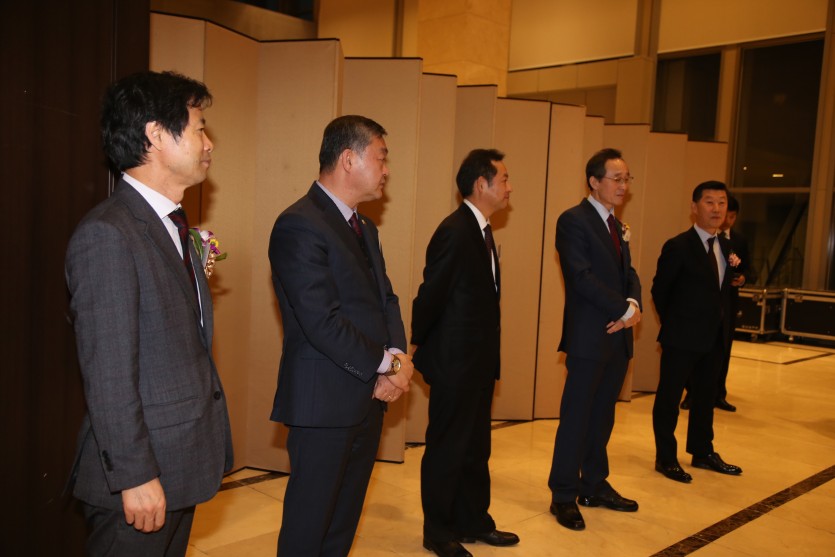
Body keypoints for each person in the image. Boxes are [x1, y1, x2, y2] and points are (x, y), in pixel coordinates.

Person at [65, 70, 233, 556]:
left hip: (178, 463)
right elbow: (109, 373)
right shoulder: (109, 234)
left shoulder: (171, 226)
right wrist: (135, 476)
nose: (209, 143)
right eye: (199, 128)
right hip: (140, 479)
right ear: (157, 135)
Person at [268, 115, 414, 556]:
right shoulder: (299, 224)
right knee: (309, 527)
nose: (387, 170)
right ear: (349, 159)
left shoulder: (365, 227)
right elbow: (322, 321)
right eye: (381, 158)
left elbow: (386, 299)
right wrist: (388, 364)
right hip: (324, 403)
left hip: (367, 397)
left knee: (342, 523)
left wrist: (397, 356)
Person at [412, 149, 520, 557]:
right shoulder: (455, 231)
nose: (509, 187)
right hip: (455, 365)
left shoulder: (481, 231)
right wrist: (419, 345)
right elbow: (431, 295)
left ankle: (473, 520)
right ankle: (438, 532)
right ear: (481, 184)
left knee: (476, 448)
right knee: (448, 448)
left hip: (478, 364)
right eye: (504, 179)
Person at [548, 148, 642, 532]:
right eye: (616, 178)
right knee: (577, 418)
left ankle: (594, 484)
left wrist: (633, 304)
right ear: (594, 181)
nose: (623, 186)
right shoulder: (573, 220)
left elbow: (628, 273)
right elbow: (581, 277)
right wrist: (623, 310)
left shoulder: (617, 225)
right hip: (589, 336)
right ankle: (563, 494)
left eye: (626, 179)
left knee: (603, 416)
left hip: (618, 338)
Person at [652, 181, 743, 484]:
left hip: (714, 337)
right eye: (709, 202)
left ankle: (702, 451)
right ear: (694, 207)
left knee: (706, 397)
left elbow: (722, 293)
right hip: (681, 337)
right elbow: (660, 291)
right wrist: (677, 324)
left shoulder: (726, 247)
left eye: (722, 203)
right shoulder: (678, 246)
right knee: (669, 398)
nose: (717, 209)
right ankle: (666, 457)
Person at [680, 195, 750, 412]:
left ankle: (718, 394)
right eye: (711, 204)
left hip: (726, 307)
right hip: (699, 311)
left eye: (729, 213)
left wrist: (742, 278)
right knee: (695, 352)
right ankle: (692, 393)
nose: (725, 217)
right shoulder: (695, 241)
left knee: (722, 353)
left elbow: (748, 269)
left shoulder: (737, 242)